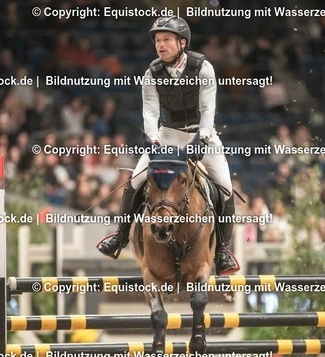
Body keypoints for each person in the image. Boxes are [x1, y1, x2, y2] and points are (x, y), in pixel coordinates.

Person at [97, 16, 239, 274]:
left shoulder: (203, 68)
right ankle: (120, 236)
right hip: (168, 135)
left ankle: (223, 251)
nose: (160, 45)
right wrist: (153, 140)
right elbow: (150, 112)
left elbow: (208, 108)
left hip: (202, 135)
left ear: (182, 42)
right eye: (157, 41)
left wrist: (202, 138)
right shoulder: (151, 73)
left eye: (166, 40)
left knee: (226, 188)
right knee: (135, 181)